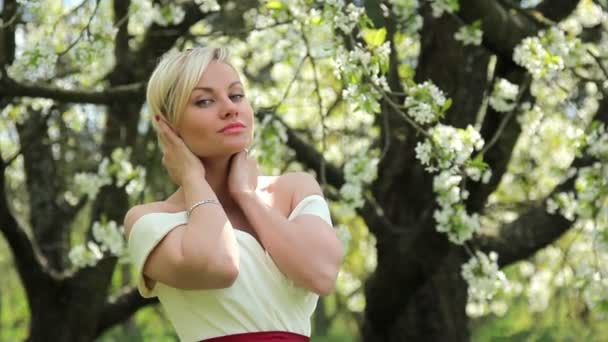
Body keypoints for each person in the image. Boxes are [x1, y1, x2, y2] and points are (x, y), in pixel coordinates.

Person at [123, 46, 343, 342]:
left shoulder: (294, 189)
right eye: (204, 101)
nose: (230, 108)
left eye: (236, 95)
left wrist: (246, 194)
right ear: (168, 126)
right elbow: (219, 265)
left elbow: (321, 274)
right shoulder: (150, 220)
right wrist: (192, 178)